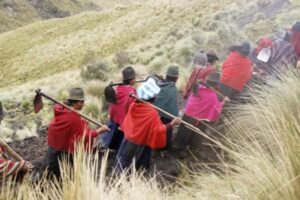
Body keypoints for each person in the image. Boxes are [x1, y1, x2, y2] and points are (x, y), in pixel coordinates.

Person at [115, 78, 182, 173]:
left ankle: (118, 173)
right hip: (139, 144)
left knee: (123, 160)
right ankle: (128, 179)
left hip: (127, 139)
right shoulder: (151, 113)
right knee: (134, 165)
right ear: (153, 97)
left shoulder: (134, 104)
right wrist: (172, 124)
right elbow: (158, 131)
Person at [44, 87, 109, 179]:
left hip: (52, 149)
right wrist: (99, 130)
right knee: (66, 175)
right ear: (74, 102)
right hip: (64, 152)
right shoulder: (73, 118)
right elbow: (83, 137)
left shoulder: (61, 110)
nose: (83, 104)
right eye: (81, 102)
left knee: (50, 173)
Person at [173, 72, 228, 150]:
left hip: (189, 113)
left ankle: (178, 145)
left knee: (184, 130)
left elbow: (195, 92)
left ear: (207, 81)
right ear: (216, 85)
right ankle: (193, 147)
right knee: (198, 131)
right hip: (201, 117)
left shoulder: (200, 88)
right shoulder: (212, 96)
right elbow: (217, 108)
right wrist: (224, 102)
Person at [101, 66, 137, 152]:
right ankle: (117, 149)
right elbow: (132, 107)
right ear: (131, 80)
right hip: (122, 118)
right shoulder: (132, 91)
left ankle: (104, 146)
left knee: (111, 132)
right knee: (121, 134)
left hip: (114, 114)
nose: (135, 80)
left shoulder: (118, 88)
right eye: (134, 78)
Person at [153, 66, 179, 149]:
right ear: (176, 78)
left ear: (167, 76)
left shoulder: (159, 83)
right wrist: (175, 116)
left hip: (155, 113)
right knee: (167, 128)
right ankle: (164, 147)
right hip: (166, 116)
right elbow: (173, 107)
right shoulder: (173, 89)